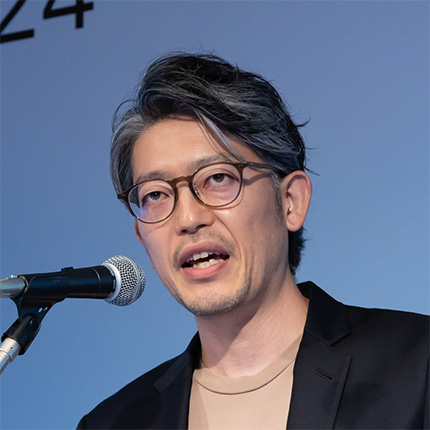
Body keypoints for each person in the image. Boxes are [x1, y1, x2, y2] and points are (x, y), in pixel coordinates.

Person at [78, 53, 429, 429]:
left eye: (217, 178)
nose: (188, 219)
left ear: (290, 201)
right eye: (155, 195)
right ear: (142, 237)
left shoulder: (417, 366)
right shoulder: (113, 423)